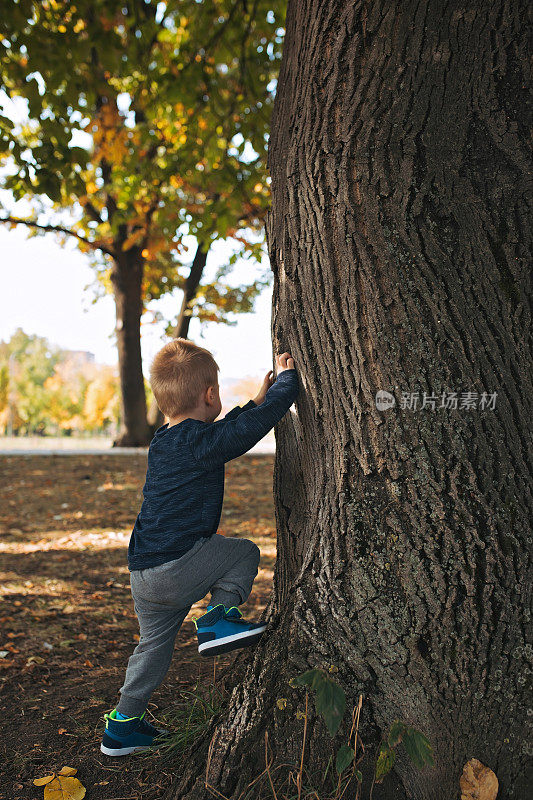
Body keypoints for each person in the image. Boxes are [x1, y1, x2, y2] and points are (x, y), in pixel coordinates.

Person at [100, 338, 299, 756]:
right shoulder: (200, 442)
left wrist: (254, 399)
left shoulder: (165, 439)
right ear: (210, 395)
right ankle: (218, 620)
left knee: (151, 647)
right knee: (243, 553)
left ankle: (122, 726)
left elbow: (224, 429)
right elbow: (244, 432)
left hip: (143, 572)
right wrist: (286, 384)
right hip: (176, 564)